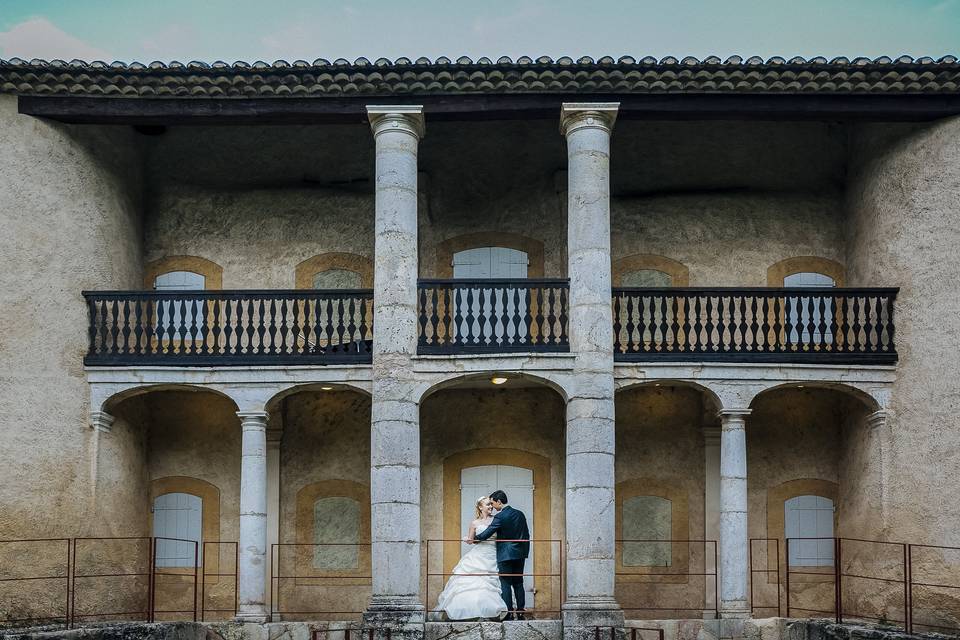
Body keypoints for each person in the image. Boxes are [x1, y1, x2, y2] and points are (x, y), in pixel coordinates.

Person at [434, 496, 508, 620]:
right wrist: (467, 539)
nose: (490, 506)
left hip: (493, 553)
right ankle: (470, 612)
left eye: (491, 504)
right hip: (478, 555)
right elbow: (472, 540)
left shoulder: (496, 520)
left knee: (489, 583)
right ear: (480, 507)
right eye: (487, 504)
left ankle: (490, 612)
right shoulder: (474, 523)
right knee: (472, 582)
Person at [474, 490, 530, 620]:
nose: (492, 507)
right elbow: (526, 534)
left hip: (505, 555)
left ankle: (509, 613)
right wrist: (524, 551)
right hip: (520, 553)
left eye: (493, 503)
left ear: (499, 501)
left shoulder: (500, 516)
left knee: (505, 583)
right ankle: (521, 612)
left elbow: (487, 533)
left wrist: (474, 539)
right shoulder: (520, 514)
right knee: (518, 582)